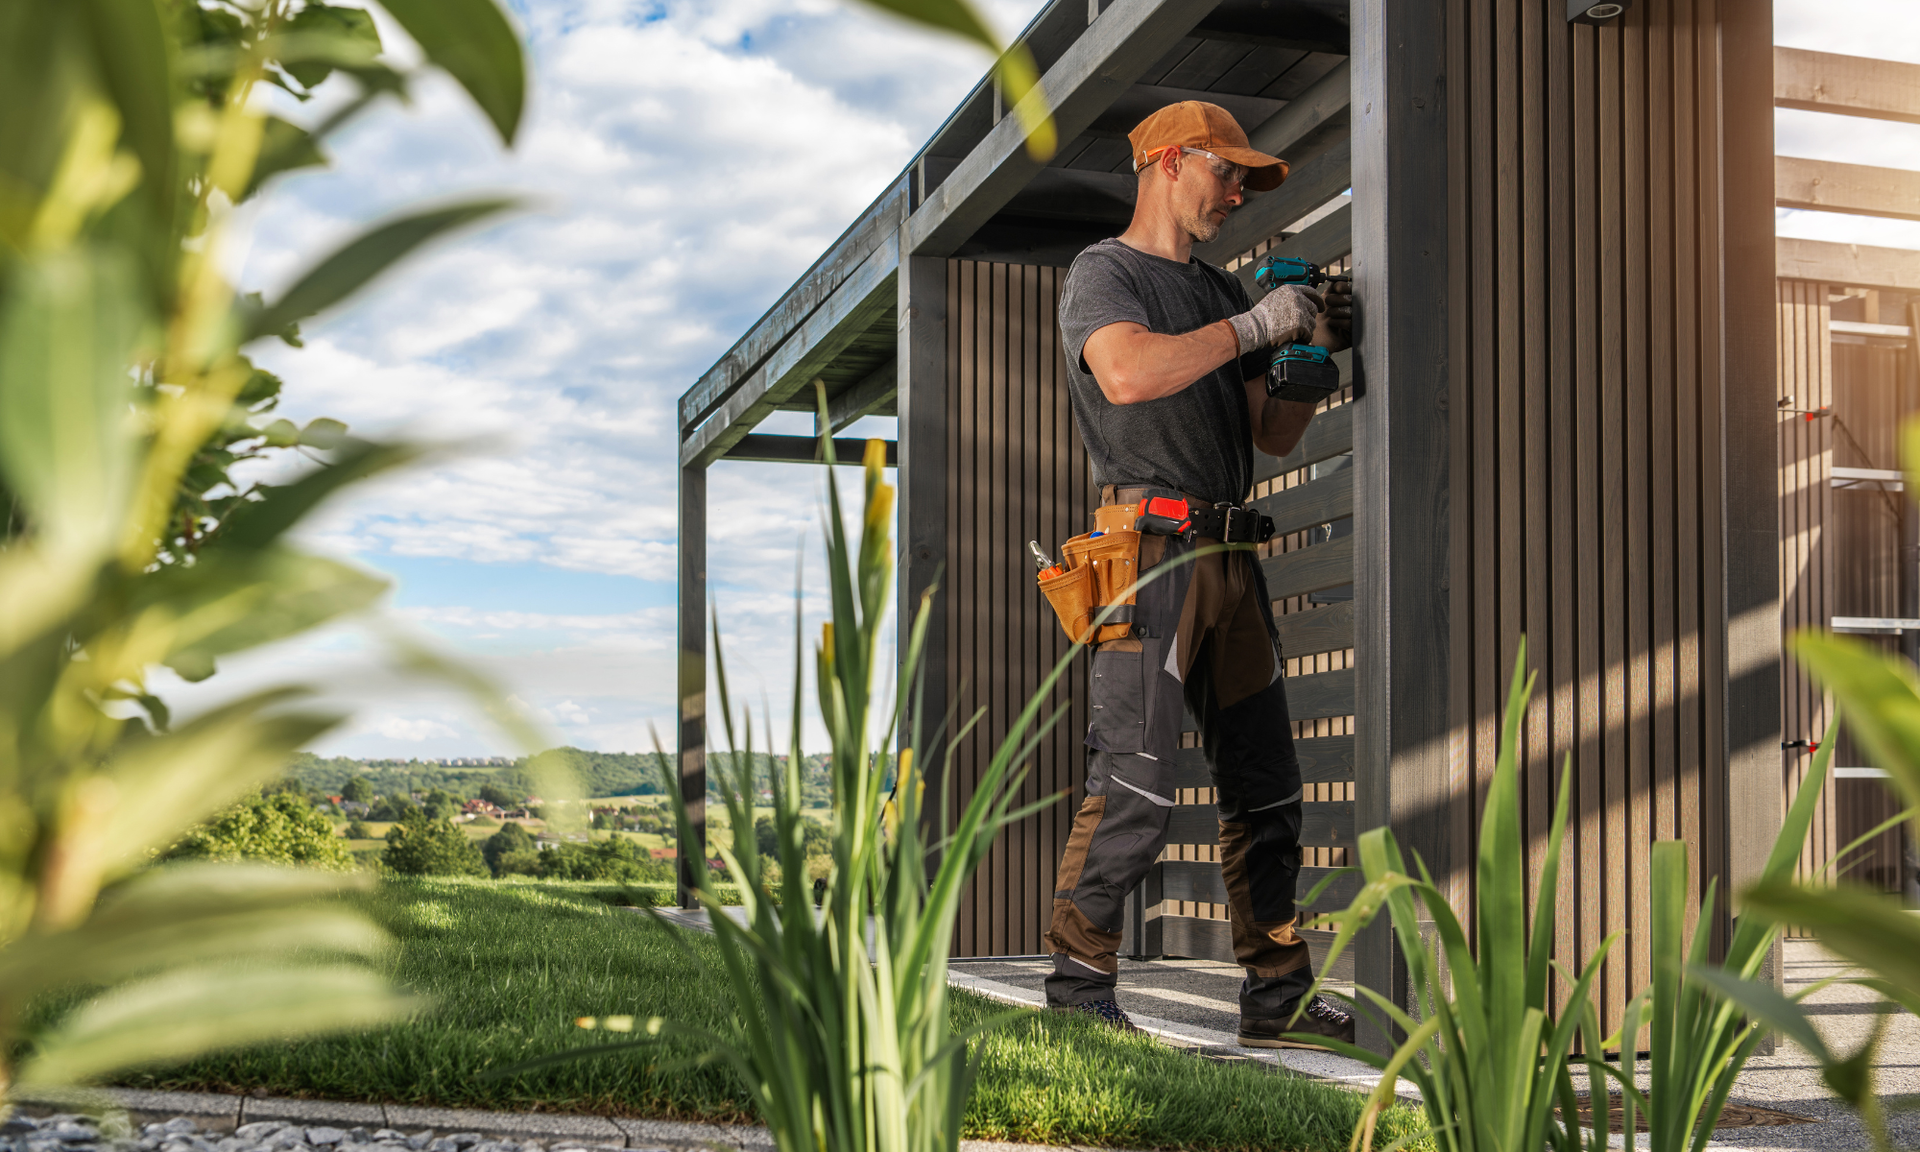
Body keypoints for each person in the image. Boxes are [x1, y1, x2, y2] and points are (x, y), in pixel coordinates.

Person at [1042, 100, 1355, 1050]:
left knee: (1266, 786)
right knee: (1135, 779)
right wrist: (1259, 322)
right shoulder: (1107, 273)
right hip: (1148, 554)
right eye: (1227, 173)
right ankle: (1082, 985)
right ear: (1168, 161)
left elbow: (1271, 433)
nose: (1235, 194)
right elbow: (1129, 375)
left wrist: (1308, 360)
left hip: (1230, 554)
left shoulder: (1220, 293)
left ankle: (1277, 994)